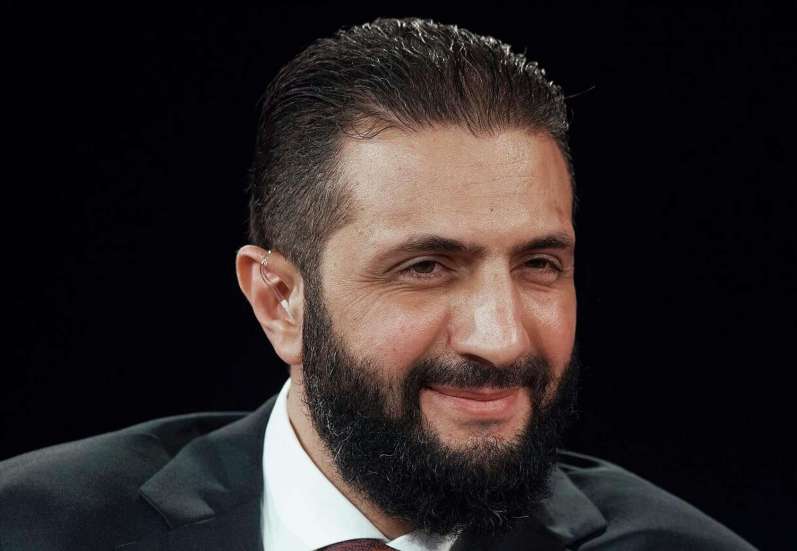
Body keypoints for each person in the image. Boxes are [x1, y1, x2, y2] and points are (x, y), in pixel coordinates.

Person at [0, 18, 756, 551]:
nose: (500, 337)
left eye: (538, 265)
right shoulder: (28, 526)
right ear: (279, 300)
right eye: (426, 268)